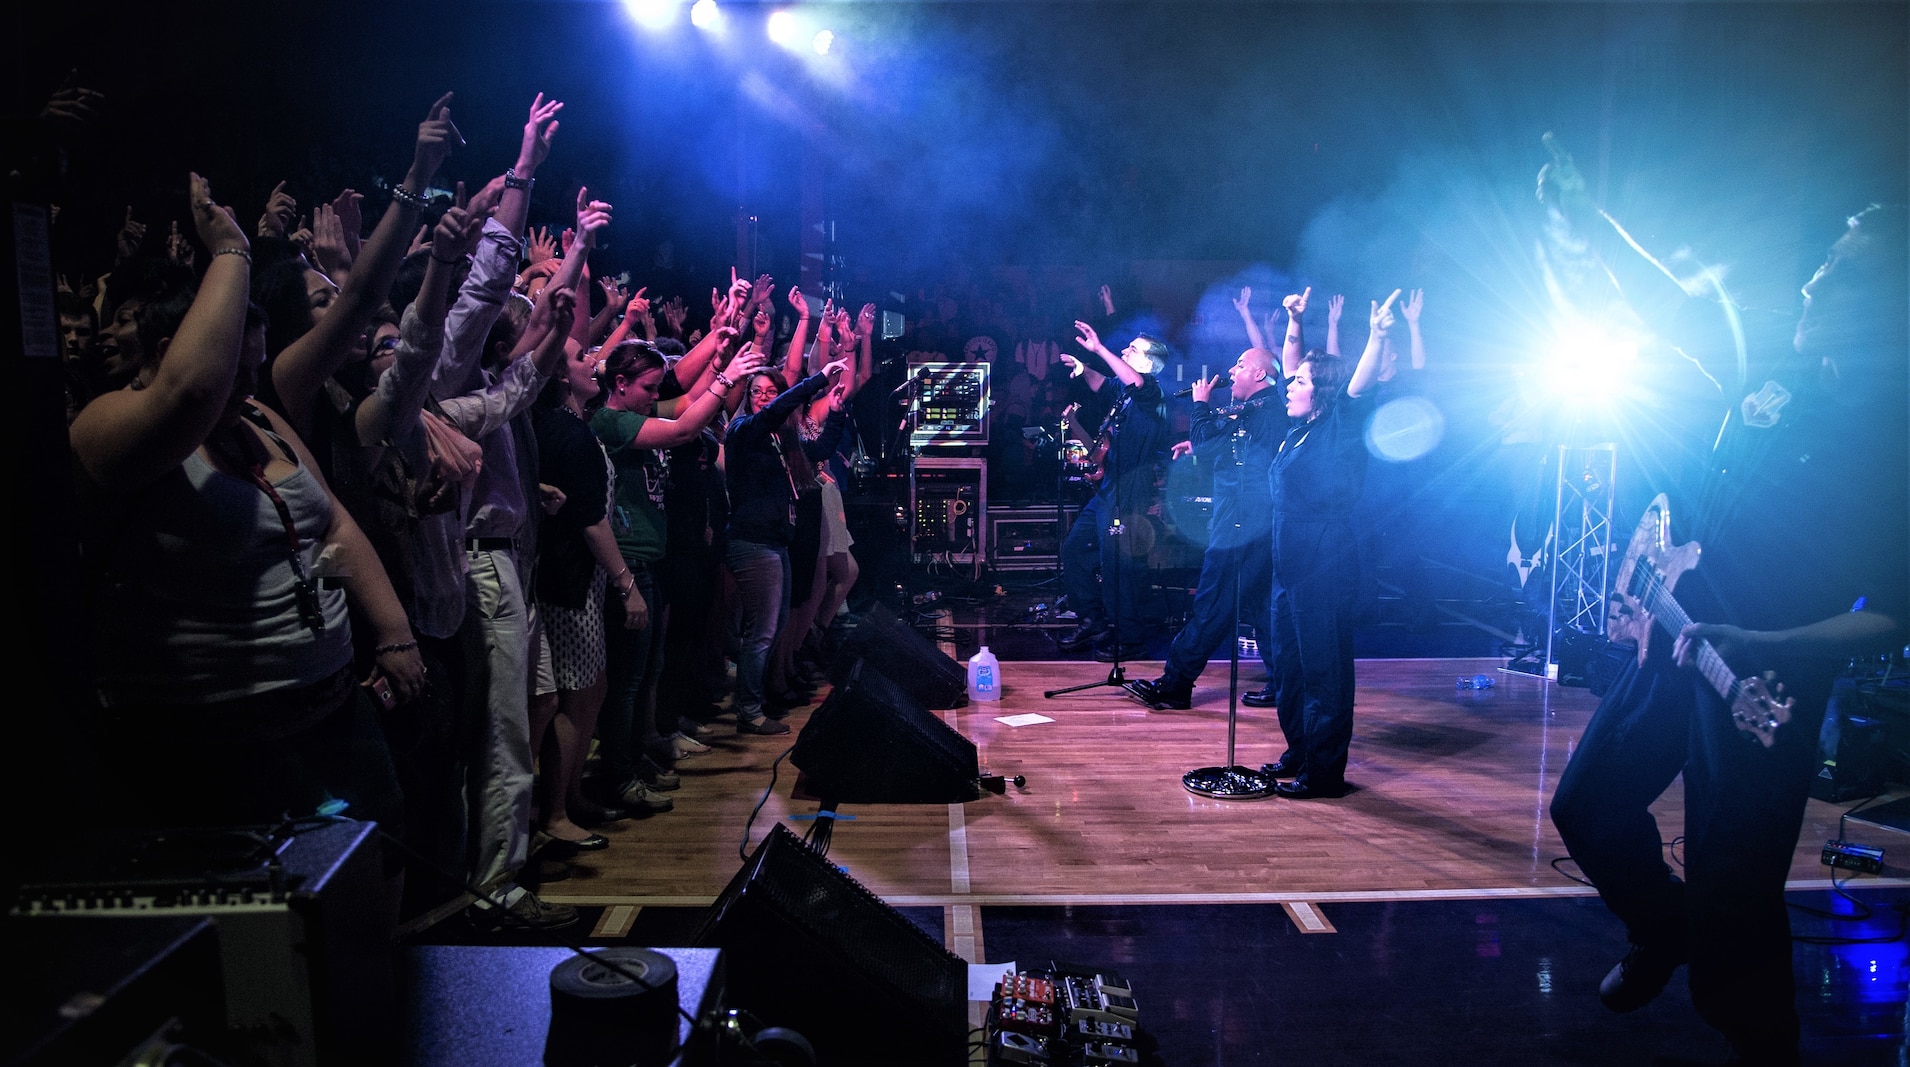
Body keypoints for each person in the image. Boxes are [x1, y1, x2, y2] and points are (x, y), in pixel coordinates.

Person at [1549, 204, 1908, 1066]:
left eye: (1846, 272)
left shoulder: (1887, 432)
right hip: (1678, 649)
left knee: (1735, 901)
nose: (1817, 280)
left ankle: (1761, 1046)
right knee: (1588, 807)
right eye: (1824, 258)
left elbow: (1889, 612)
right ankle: (1664, 929)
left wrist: (1768, 643)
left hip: (1761, 691)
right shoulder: (1776, 368)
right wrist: (1591, 227)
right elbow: (1684, 307)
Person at [72, 176, 423, 890]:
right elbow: (192, 391)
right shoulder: (108, 427)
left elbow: (334, 519)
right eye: (240, 363)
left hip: (330, 716)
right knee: (275, 936)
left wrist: (392, 631)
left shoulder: (257, 415)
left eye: (258, 365)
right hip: (217, 749)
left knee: (370, 887)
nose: (249, 382)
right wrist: (230, 246)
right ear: (176, 346)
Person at [1259, 289, 1392, 799]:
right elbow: (1294, 361)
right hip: (1287, 560)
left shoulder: (1338, 427)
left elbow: (1355, 389)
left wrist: (1377, 338)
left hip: (1323, 558)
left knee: (1324, 669)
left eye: (1299, 383)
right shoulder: (1299, 428)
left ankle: (1326, 773)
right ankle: (1301, 750)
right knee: (1289, 667)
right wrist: (1295, 320)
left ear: (1322, 393)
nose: (1289, 386)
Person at [1132, 346, 1285, 710]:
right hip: (1250, 522)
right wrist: (1197, 444)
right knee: (1260, 605)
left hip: (1240, 523)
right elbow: (1220, 445)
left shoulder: (1266, 410)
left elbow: (1210, 440)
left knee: (1212, 601)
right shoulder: (1258, 410)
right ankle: (1285, 683)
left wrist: (1199, 404)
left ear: (1260, 375)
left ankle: (1176, 683)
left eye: (1241, 364)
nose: (1232, 371)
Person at [1054, 321, 1172, 660]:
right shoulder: (1126, 393)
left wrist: (1099, 349)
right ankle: (1093, 619)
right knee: (1075, 548)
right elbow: (1105, 384)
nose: (1124, 352)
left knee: (1116, 563)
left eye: (1131, 350)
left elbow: (1133, 380)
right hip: (1109, 486)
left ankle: (1130, 637)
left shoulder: (1151, 392)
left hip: (1131, 488)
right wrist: (1084, 367)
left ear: (1148, 364)